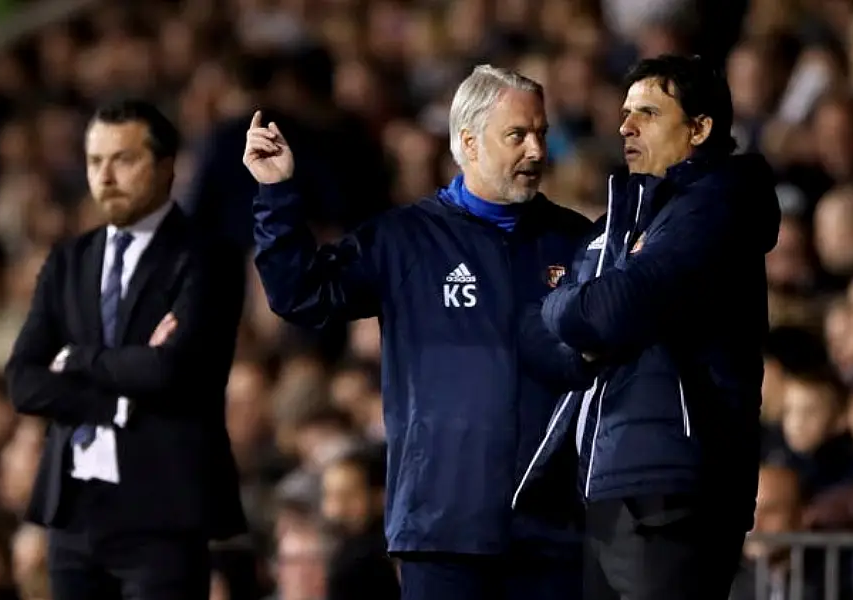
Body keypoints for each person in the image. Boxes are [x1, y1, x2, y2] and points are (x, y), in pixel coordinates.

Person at [244, 64, 596, 600]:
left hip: (551, 530)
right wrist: (277, 196)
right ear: (470, 143)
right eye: (517, 135)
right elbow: (300, 295)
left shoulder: (573, 240)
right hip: (442, 529)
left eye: (541, 133)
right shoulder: (405, 240)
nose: (535, 150)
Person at [515, 54, 781, 600]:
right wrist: (580, 340)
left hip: (676, 489)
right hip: (609, 482)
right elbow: (533, 331)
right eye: (625, 112)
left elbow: (608, 309)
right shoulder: (627, 218)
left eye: (649, 113)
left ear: (700, 129)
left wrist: (574, 312)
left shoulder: (716, 205)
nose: (625, 127)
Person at [5, 99, 247, 600]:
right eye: (95, 161)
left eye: (123, 159)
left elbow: (173, 370)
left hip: (163, 509)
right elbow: (23, 380)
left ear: (165, 166)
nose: (106, 176)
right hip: (71, 509)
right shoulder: (69, 260)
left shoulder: (207, 255)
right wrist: (111, 403)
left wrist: (77, 359)